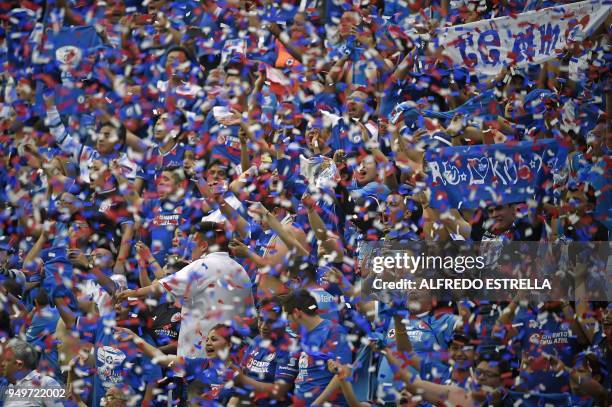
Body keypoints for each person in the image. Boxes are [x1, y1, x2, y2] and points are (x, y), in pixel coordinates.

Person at [115, 221, 254, 358]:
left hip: (200, 359)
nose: (189, 249)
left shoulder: (203, 264)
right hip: (233, 358)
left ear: (204, 246)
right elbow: (251, 318)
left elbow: (161, 288)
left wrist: (133, 293)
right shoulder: (241, 271)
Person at [278, 289, 352, 405]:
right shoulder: (303, 335)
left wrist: (316, 404)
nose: (286, 324)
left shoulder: (333, 331)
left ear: (297, 313)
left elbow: (343, 372)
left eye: (287, 318)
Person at [1, 338, 64, 407]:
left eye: (7, 360)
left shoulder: (46, 384)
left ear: (19, 364)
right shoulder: (8, 387)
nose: (2, 364)